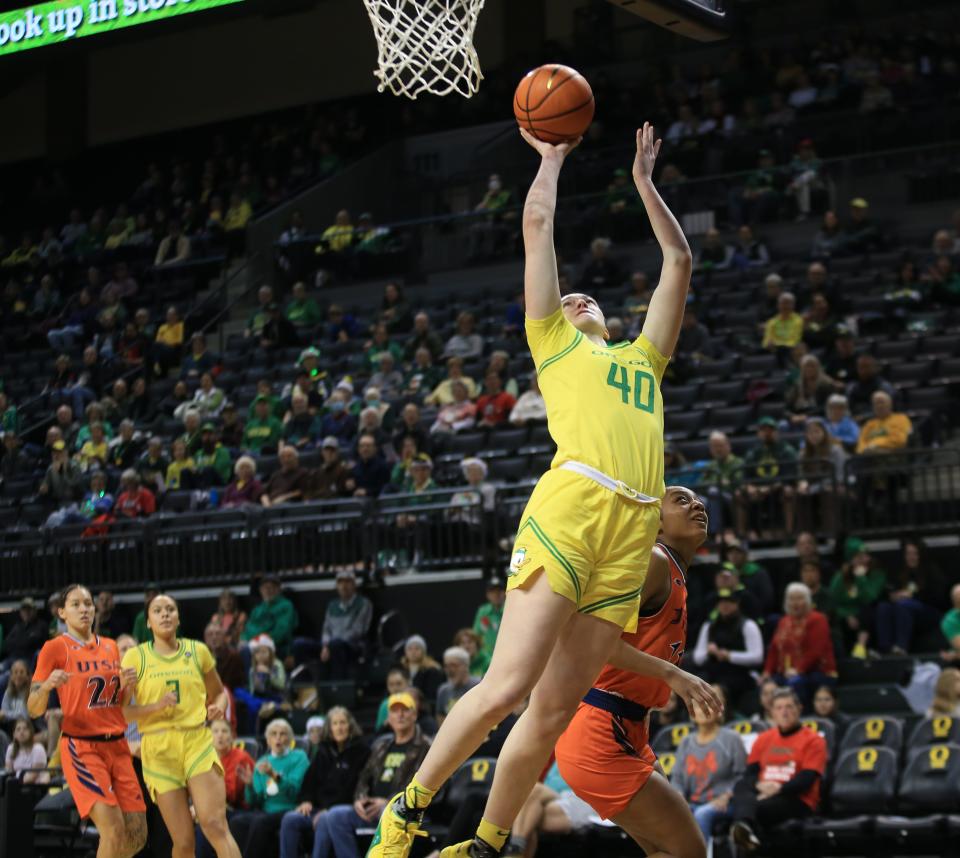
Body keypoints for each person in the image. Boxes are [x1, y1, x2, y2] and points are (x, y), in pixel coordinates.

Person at [552, 486, 719, 858]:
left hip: (627, 729)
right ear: (656, 525)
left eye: (697, 500)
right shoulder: (655, 562)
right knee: (690, 850)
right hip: (599, 732)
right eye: (681, 500)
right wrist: (675, 676)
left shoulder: (673, 571)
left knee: (664, 851)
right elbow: (594, 642)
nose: (697, 504)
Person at [27, 584, 148, 858]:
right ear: (62, 612)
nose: (84, 609)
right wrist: (46, 687)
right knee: (114, 830)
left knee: (137, 836)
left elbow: (117, 706)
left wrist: (127, 687)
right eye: (76, 604)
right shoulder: (55, 648)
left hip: (117, 746)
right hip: (82, 748)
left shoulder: (110, 647)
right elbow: (33, 709)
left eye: (88, 604)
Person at [120, 593, 240, 858]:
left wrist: (220, 706)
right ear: (148, 622)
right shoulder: (134, 658)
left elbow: (219, 693)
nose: (164, 614)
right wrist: (155, 706)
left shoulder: (198, 651)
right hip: (158, 749)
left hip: (196, 740)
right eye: (157, 610)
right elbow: (122, 714)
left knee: (215, 825)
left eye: (170, 609)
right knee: (184, 842)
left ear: (178, 617)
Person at [319, 693, 430, 858]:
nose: (400, 715)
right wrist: (360, 799)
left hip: (401, 809)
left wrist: (388, 802)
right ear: (389, 718)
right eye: (395, 711)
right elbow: (364, 776)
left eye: (405, 710)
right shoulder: (381, 745)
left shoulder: (425, 747)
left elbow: (422, 784)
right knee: (334, 816)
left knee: (388, 811)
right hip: (371, 809)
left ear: (414, 715)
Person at [729, 689, 827, 853]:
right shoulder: (763, 739)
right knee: (740, 785)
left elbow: (807, 779)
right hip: (764, 792)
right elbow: (750, 773)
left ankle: (744, 829)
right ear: (772, 712)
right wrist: (759, 786)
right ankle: (746, 830)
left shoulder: (814, 740)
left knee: (754, 808)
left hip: (796, 798)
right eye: (779, 708)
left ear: (799, 709)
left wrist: (778, 789)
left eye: (789, 707)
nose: (785, 712)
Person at [278, 707, 371, 858]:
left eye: (343, 723)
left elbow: (355, 787)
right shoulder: (323, 750)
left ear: (350, 726)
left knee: (325, 820)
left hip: (343, 808)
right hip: (319, 808)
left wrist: (327, 809)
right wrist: (306, 800)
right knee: (290, 819)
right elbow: (309, 781)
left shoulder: (361, 751)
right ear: (329, 728)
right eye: (335, 724)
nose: (339, 728)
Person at [671, 686, 746, 842]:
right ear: (692, 712)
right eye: (699, 706)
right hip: (692, 802)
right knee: (673, 815)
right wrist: (679, 798)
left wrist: (727, 796)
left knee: (702, 814)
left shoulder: (732, 739)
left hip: (723, 803)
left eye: (709, 705)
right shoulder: (686, 742)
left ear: (719, 710)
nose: (704, 710)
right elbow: (676, 778)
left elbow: (742, 776)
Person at [230, 718, 309, 855]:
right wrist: (250, 786)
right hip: (265, 811)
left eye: (283, 734)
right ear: (267, 740)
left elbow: (294, 791)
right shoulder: (262, 762)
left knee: (260, 822)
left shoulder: (299, 758)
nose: (278, 738)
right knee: (237, 822)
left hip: (290, 808)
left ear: (290, 739)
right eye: (273, 734)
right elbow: (254, 802)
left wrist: (273, 774)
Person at [499, 761, 603, 858]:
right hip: (552, 795)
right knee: (530, 794)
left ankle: (515, 849)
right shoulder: (562, 748)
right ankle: (516, 850)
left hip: (583, 797)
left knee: (528, 816)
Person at [762, 583, 837, 707]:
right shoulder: (783, 621)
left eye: (799, 598)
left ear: (808, 601)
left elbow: (815, 651)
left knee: (795, 683)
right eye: (791, 599)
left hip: (817, 671)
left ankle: (801, 718)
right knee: (768, 686)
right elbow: (774, 648)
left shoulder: (818, 619)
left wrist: (798, 670)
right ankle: (770, 719)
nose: (795, 603)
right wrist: (767, 671)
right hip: (787, 672)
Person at [692, 589, 764, 703]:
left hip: (739, 673)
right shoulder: (708, 626)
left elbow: (757, 657)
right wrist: (708, 651)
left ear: (737, 603)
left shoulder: (748, 625)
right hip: (713, 673)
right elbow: (697, 659)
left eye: (729, 601)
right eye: (721, 602)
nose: (725, 605)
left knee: (726, 685)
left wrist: (729, 656)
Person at [875, 538, 945, 655]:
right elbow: (887, 591)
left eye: (914, 553)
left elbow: (938, 598)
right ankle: (885, 649)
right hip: (901, 609)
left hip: (928, 611)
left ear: (920, 555)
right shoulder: (899, 571)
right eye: (908, 554)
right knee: (884, 607)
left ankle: (901, 647)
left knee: (904, 605)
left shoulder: (931, 571)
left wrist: (912, 595)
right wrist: (893, 596)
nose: (911, 557)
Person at [241, 576, 298, 658]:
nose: (268, 590)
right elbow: (247, 629)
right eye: (265, 588)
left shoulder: (286, 606)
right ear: (260, 590)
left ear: (278, 589)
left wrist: (260, 641)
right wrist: (243, 639)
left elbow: (281, 632)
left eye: (271, 587)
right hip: (255, 644)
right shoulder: (257, 609)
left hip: (277, 647)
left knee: (247, 651)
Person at [435, 647, 481, 726]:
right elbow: (440, 716)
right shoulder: (443, 690)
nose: (449, 670)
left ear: (466, 666)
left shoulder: (478, 686)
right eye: (446, 666)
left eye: (453, 665)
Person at [401, 636, 444, 711]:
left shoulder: (432, 671)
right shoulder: (400, 669)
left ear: (423, 651)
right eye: (410, 649)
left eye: (417, 648)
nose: (413, 652)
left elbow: (431, 696)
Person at [4, 717, 48, 782]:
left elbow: (33, 776)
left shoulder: (38, 749)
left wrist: (15, 782)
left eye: (25, 729)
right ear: (14, 735)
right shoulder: (11, 748)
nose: (21, 732)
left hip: (35, 786)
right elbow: (8, 771)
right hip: (16, 784)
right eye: (18, 729)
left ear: (31, 732)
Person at [472, 578, 505, 662]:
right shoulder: (483, 611)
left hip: (506, 654)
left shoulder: (510, 609)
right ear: (488, 594)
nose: (496, 594)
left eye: (499, 591)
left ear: (505, 593)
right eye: (493, 591)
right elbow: (476, 635)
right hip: (487, 657)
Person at [1, 659, 33, 733]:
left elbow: (25, 715)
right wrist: (5, 715)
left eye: (21, 672)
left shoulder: (32, 692)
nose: (18, 675)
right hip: (11, 729)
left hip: (29, 730)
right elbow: (3, 712)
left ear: (27, 676)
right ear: (11, 676)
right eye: (15, 672)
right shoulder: (8, 692)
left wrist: (6, 714)